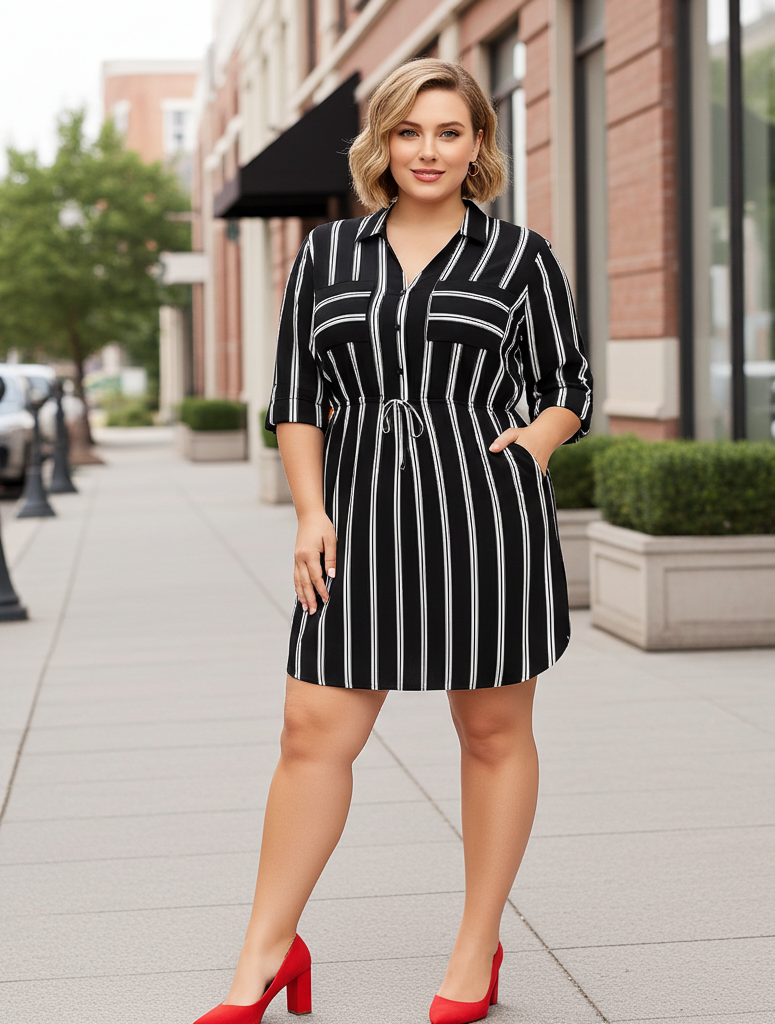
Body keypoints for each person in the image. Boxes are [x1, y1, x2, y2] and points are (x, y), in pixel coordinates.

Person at [192, 58, 592, 1024]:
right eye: (410, 132)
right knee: (311, 731)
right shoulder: (327, 258)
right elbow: (296, 399)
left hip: (482, 515)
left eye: (449, 132)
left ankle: (473, 951)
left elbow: (568, 385)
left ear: (479, 146)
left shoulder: (522, 259)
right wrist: (309, 510)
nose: (428, 150)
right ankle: (265, 956)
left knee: (491, 731)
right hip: (358, 513)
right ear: (382, 143)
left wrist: (529, 451)